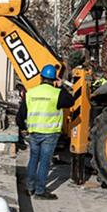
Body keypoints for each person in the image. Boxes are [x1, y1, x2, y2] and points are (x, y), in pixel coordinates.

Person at [17, 65, 74, 200]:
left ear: (41, 77)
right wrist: (61, 86)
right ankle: (40, 191)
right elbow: (70, 101)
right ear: (54, 79)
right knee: (44, 162)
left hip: (34, 133)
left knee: (33, 159)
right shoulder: (57, 93)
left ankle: (30, 188)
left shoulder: (31, 93)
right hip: (50, 134)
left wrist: (22, 127)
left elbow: (21, 115)